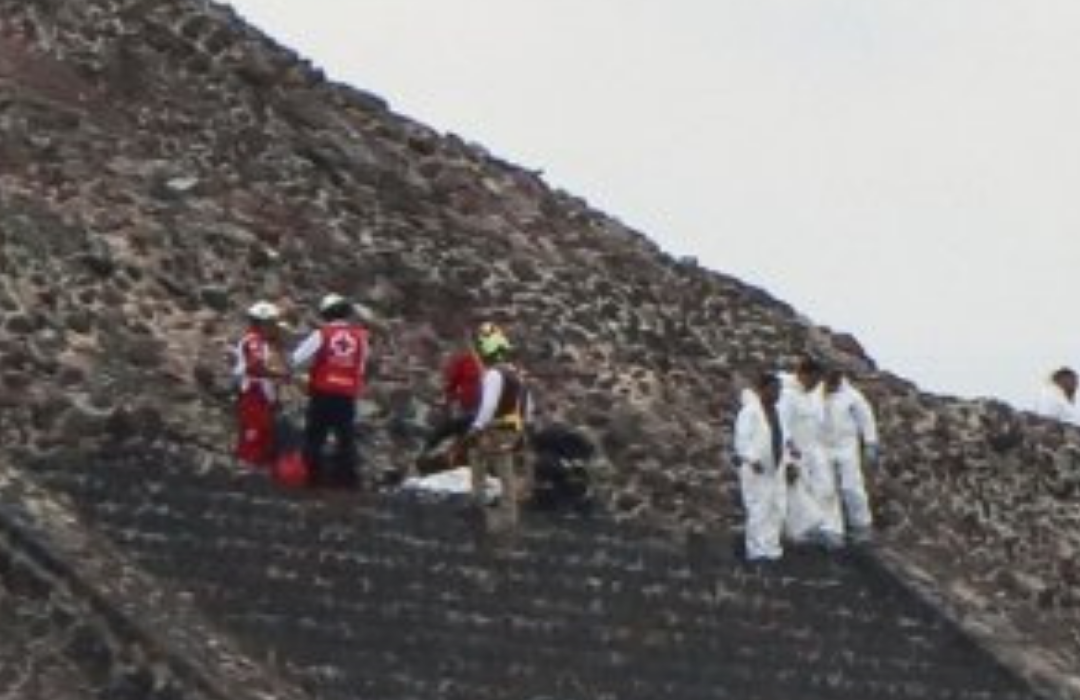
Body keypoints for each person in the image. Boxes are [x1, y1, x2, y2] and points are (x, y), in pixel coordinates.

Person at [290, 293, 370, 488]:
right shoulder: (361, 337)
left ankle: (311, 479)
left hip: (322, 393)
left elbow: (296, 359)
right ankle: (347, 482)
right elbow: (361, 368)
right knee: (346, 439)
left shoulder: (322, 334)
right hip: (346, 396)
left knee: (315, 437)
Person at [465, 324, 532, 526]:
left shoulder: (495, 375)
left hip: (495, 427)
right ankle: (508, 515)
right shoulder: (517, 375)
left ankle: (480, 508)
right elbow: (528, 405)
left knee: (479, 460)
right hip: (514, 428)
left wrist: (477, 427)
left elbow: (489, 405)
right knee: (505, 468)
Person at [779, 356, 844, 548]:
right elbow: (783, 429)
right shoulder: (787, 395)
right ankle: (798, 534)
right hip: (794, 452)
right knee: (796, 492)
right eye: (814, 380)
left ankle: (826, 530)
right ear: (804, 375)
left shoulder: (807, 396)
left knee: (824, 489)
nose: (815, 385)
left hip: (811, 451)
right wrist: (788, 460)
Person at [733, 372, 790, 562]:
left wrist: (790, 460)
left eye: (779, 390)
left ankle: (772, 550)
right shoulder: (750, 411)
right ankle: (757, 552)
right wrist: (751, 459)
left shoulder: (778, 413)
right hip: (756, 469)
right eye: (774, 389)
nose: (777, 393)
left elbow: (784, 439)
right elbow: (741, 439)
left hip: (775, 468)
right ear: (762, 389)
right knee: (758, 510)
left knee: (776, 509)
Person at [417, 324, 488, 472]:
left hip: (480, 412)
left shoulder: (487, 364)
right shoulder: (461, 363)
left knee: (467, 437)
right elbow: (451, 386)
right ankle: (427, 456)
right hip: (465, 410)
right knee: (445, 431)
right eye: (464, 342)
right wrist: (447, 402)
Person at [821, 369, 879, 542]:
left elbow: (866, 419)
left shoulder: (852, 397)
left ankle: (862, 526)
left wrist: (871, 442)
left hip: (846, 447)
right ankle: (832, 529)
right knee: (826, 488)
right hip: (823, 446)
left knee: (851, 487)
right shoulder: (816, 392)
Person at [233, 301, 287, 467]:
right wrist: (279, 374)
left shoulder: (263, 342)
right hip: (254, 395)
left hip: (262, 396)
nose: (274, 326)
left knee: (263, 439)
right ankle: (247, 476)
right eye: (272, 322)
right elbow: (255, 367)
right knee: (254, 439)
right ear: (263, 322)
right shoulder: (253, 341)